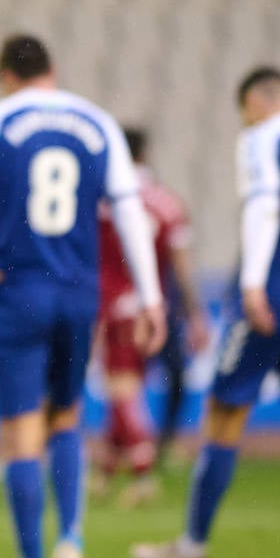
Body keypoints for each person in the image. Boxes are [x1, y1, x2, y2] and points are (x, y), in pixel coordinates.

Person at [0, 34, 166, 558]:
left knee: (21, 435)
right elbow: (130, 207)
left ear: (6, 76)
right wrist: (151, 296)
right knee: (67, 417)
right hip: (79, 292)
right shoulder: (97, 122)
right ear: (53, 69)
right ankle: (71, 538)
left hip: (20, 289)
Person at [132, 67, 280, 558]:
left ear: (255, 102)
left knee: (224, 414)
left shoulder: (262, 138)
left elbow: (264, 204)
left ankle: (191, 547)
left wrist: (253, 283)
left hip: (273, 295)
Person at [93, 126, 209, 506]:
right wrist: (194, 314)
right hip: (154, 305)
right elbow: (182, 265)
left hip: (112, 304)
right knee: (126, 388)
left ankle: (143, 476)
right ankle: (106, 471)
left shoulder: (102, 203)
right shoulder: (168, 203)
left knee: (122, 388)